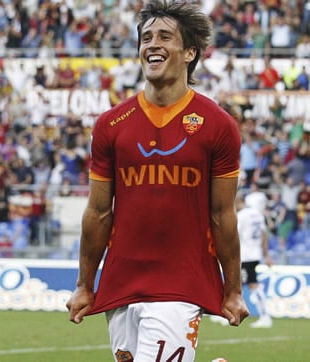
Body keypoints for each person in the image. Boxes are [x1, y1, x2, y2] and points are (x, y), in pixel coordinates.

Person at [65, 2, 249, 361]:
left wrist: (233, 289)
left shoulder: (217, 125)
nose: (153, 44)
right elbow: (99, 212)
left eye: (165, 36)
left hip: (182, 281)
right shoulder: (110, 124)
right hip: (121, 282)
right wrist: (85, 285)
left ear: (190, 52)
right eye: (146, 37)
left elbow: (222, 215)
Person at [239, 193, 274, 328]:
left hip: (245, 255)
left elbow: (234, 235)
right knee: (243, 284)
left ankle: (265, 316)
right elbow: (264, 236)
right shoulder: (259, 216)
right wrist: (266, 256)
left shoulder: (242, 215)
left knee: (251, 285)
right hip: (255, 254)